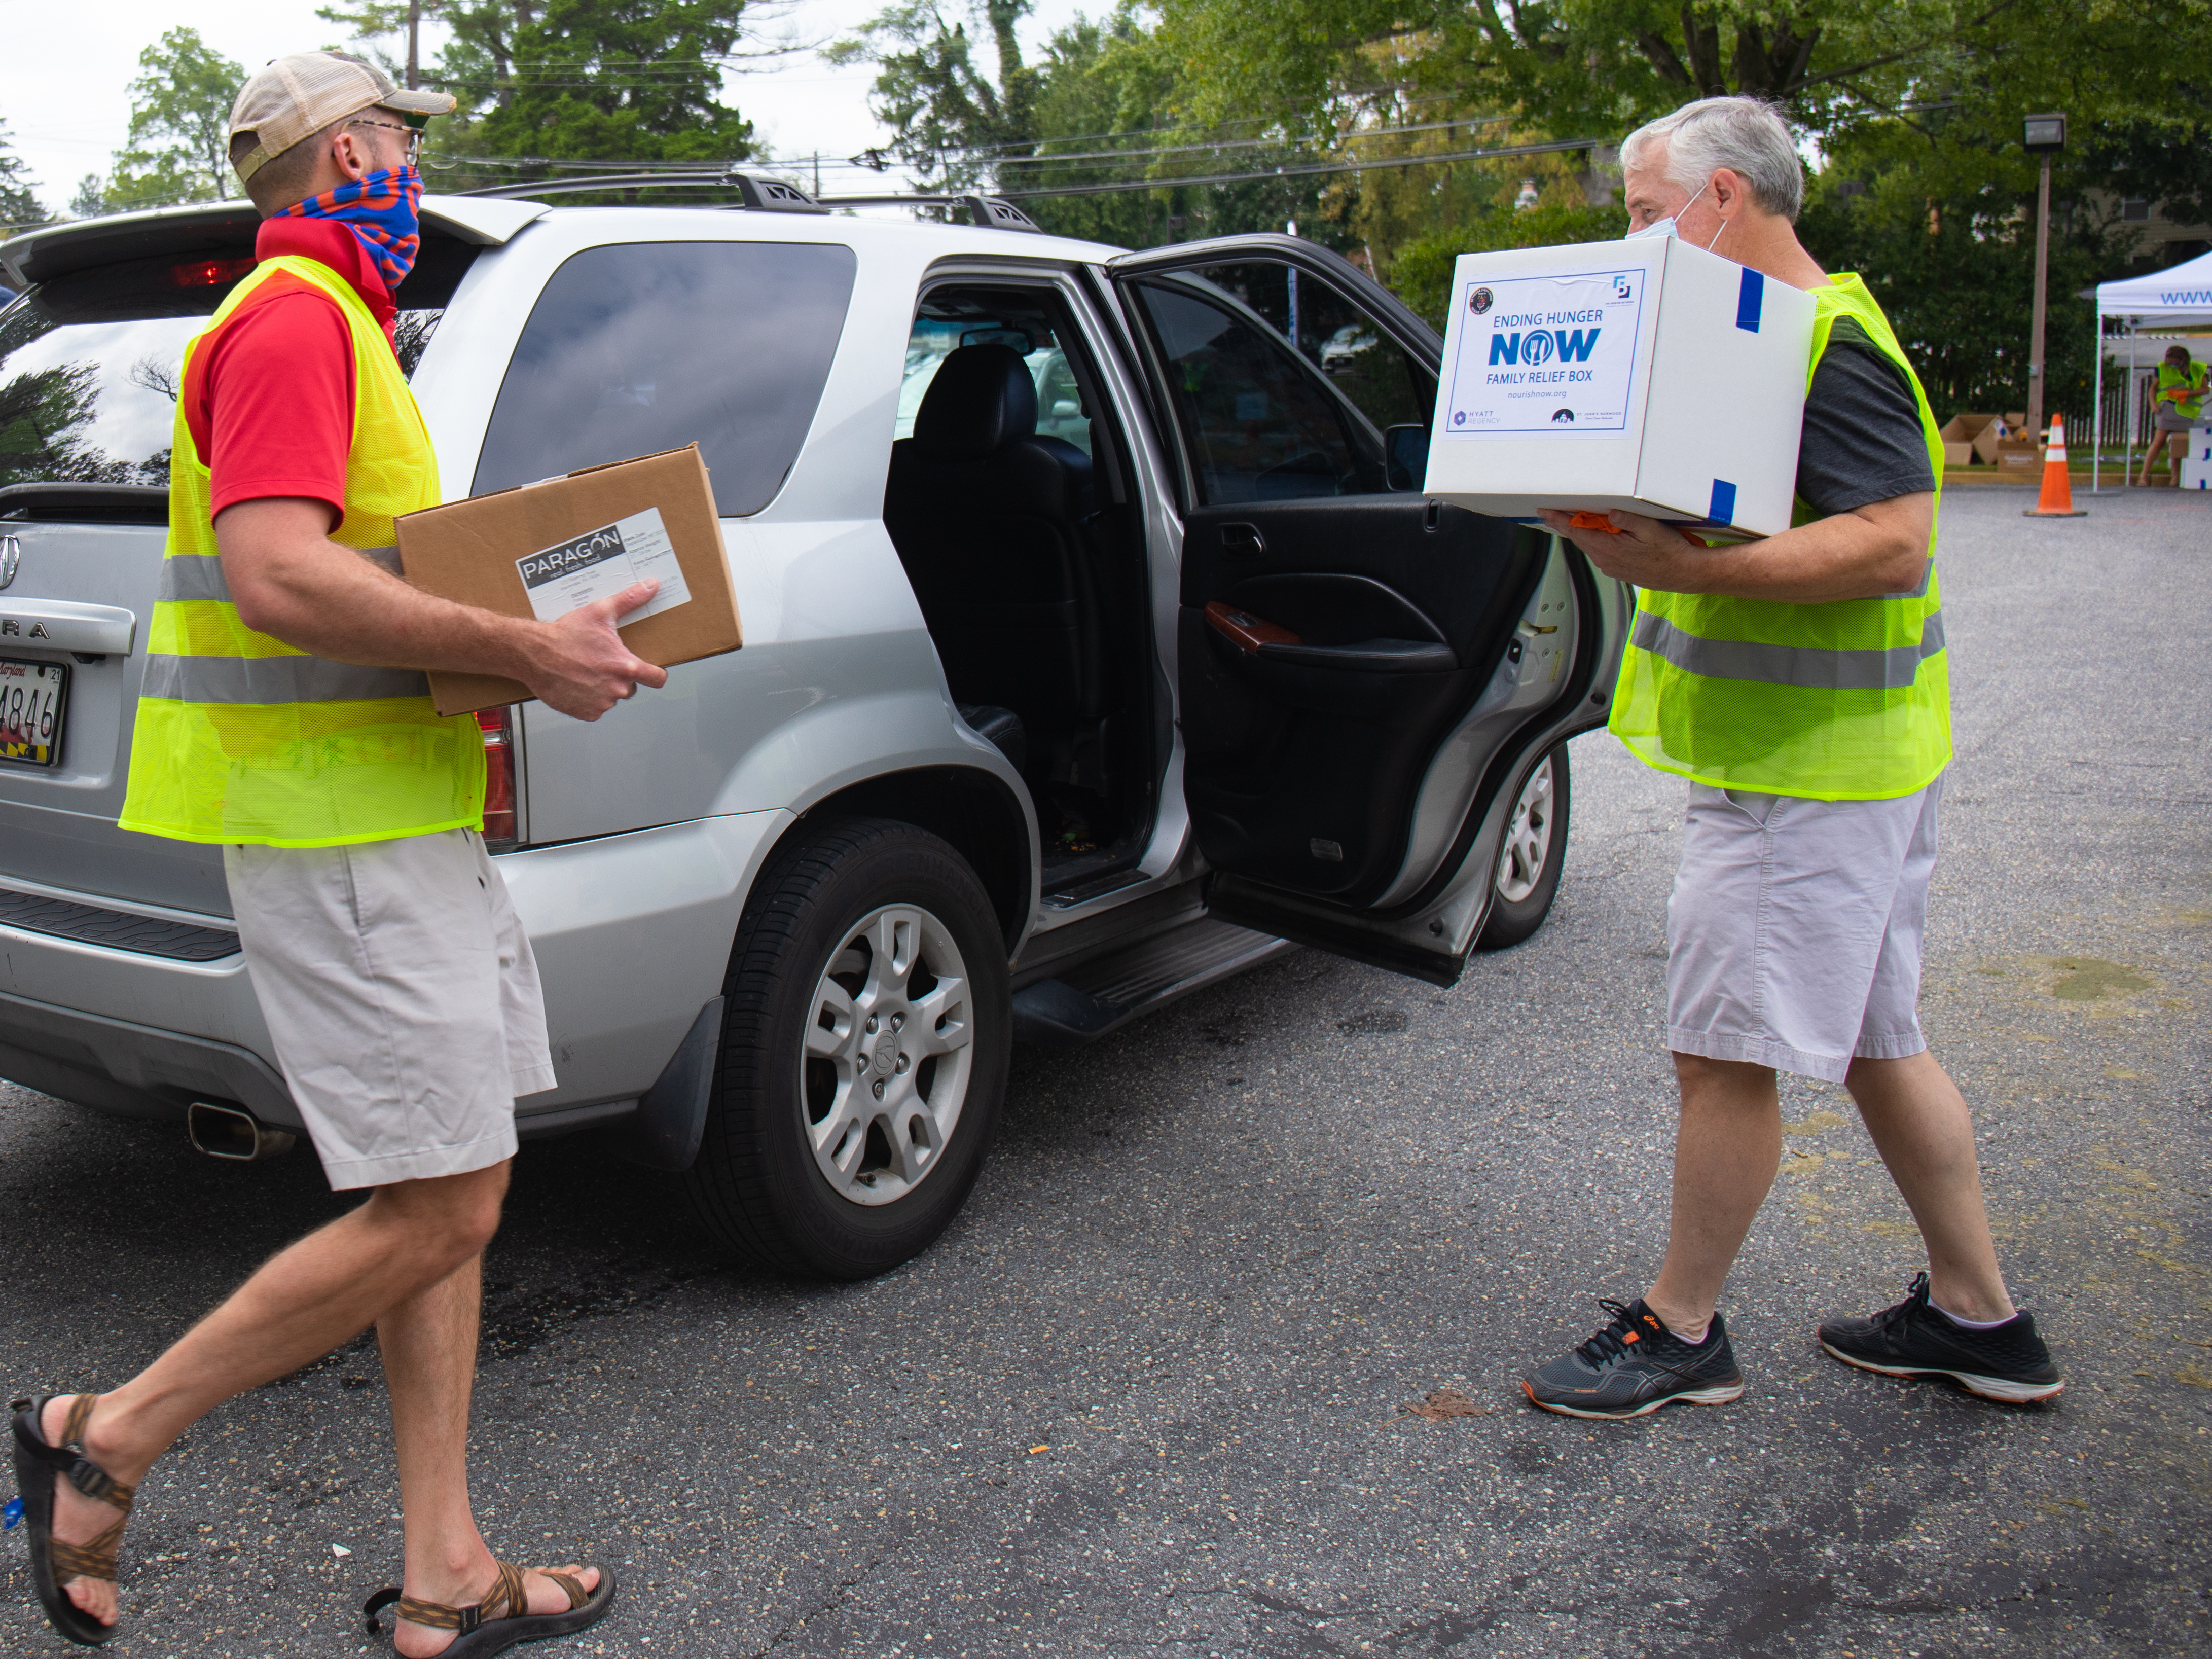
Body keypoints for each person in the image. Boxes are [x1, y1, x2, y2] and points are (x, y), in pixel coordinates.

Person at [9, 51, 666, 1653]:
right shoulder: (300, 318)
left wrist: (497, 617)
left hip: (389, 821)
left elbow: (340, 568)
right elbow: (278, 577)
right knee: (448, 1206)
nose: (410, 182)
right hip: (344, 840)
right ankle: (104, 1436)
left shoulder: (326, 327)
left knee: (438, 1190)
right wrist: (520, 648)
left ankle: (444, 1565)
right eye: (398, 149)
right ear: (350, 150)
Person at [1518, 96, 2062, 1420]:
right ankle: (1979, 1319)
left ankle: (1680, 1330)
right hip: (1841, 761)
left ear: (1721, 203)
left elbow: (1892, 539)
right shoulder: (1756, 352)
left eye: (1647, 217)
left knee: (1721, 1058)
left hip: (1808, 778)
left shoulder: (1826, 342)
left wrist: (1686, 567)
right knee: (1880, 1042)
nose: (1637, 243)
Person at [2138, 343, 2206, 487]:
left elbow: (2205, 390)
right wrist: (2153, 404)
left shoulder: (2197, 369)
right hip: (2167, 407)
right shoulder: (2162, 368)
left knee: (2179, 442)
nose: (2173, 365)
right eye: (2171, 363)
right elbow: (2153, 388)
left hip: (2187, 410)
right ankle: (2143, 476)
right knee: (2159, 440)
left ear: (2184, 360)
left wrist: (2187, 393)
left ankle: (2175, 478)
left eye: (2177, 363)